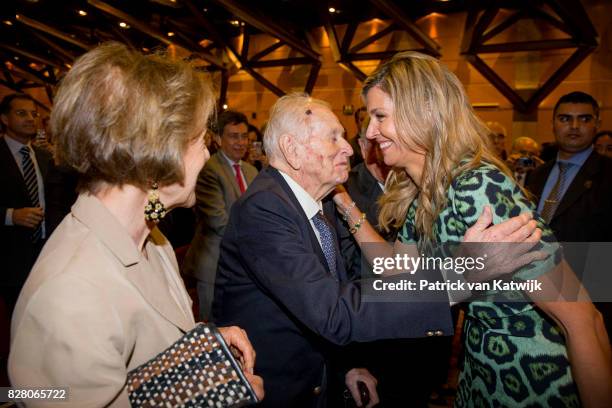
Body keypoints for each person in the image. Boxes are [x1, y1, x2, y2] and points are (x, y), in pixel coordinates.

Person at [213, 92, 545, 407]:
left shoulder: (316, 203)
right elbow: (333, 311)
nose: (349, 149)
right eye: (334, 138)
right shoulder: (264, 209)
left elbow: (331, 297)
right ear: (292, 149)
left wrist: (348, 366)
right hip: (279, 392)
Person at [333, 52, 611, 407]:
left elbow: (585, 320)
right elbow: (394, 269)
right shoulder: (425, 193)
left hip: (533, 384)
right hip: (480, 373)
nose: (370, 132)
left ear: (424, 113)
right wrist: (342, 201)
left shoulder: (478, 188)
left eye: (380, 117)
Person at [9, 42, 263, 406]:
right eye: (197, 140)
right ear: (157, 151)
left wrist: (202, 351)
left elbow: (141, 364)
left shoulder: (151, 240)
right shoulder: (70, 293)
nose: (207, 153)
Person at [183, 110, 258, 321]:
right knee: (214, 327)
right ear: (217, 139)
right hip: (213, 266)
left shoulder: (252, 171)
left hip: (243, 264)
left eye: (244, 136)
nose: (241, 142)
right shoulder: (209, 170)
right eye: (234, 136)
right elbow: (218, 221)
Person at [0, 94, 53, 313]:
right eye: (21, 113)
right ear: (4, 119)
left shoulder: (44, 157)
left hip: (46, 253)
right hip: (10, 258)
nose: (30, 118)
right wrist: (11, 215)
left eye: (33, 113)